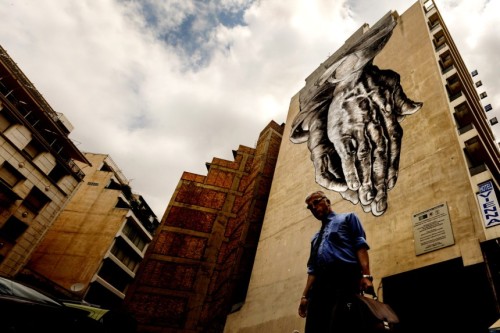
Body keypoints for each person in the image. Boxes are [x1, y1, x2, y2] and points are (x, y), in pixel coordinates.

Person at [298, 190, 374, 333]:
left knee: (342, 324)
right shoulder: (315, 238)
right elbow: (312, 269)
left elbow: (360, 246)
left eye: (316, 202)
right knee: (315, 326)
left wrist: (366, 276)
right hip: (320, 287)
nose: (313, 208)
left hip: (345, 281)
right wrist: (305, 296)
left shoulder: (348, 218)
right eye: (310, 207)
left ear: (327, 201)